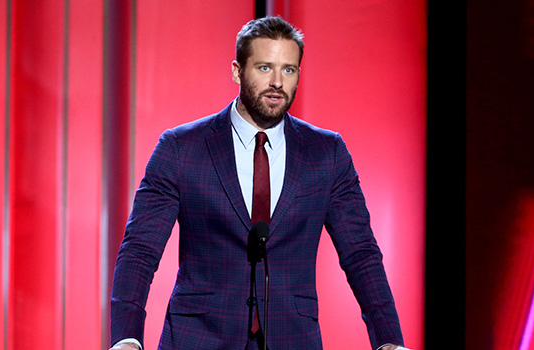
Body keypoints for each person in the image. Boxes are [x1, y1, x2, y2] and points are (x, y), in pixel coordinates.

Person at [110, 16, 406, 350]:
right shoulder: (181, 147)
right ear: (237, 71)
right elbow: (140, 250)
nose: (278, 82)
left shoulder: (327, 153)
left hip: (293, 338)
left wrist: (389, 341)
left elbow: (360, 253)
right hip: (199, 337)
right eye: (265, 68)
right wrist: (126, 337)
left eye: (289, 70)